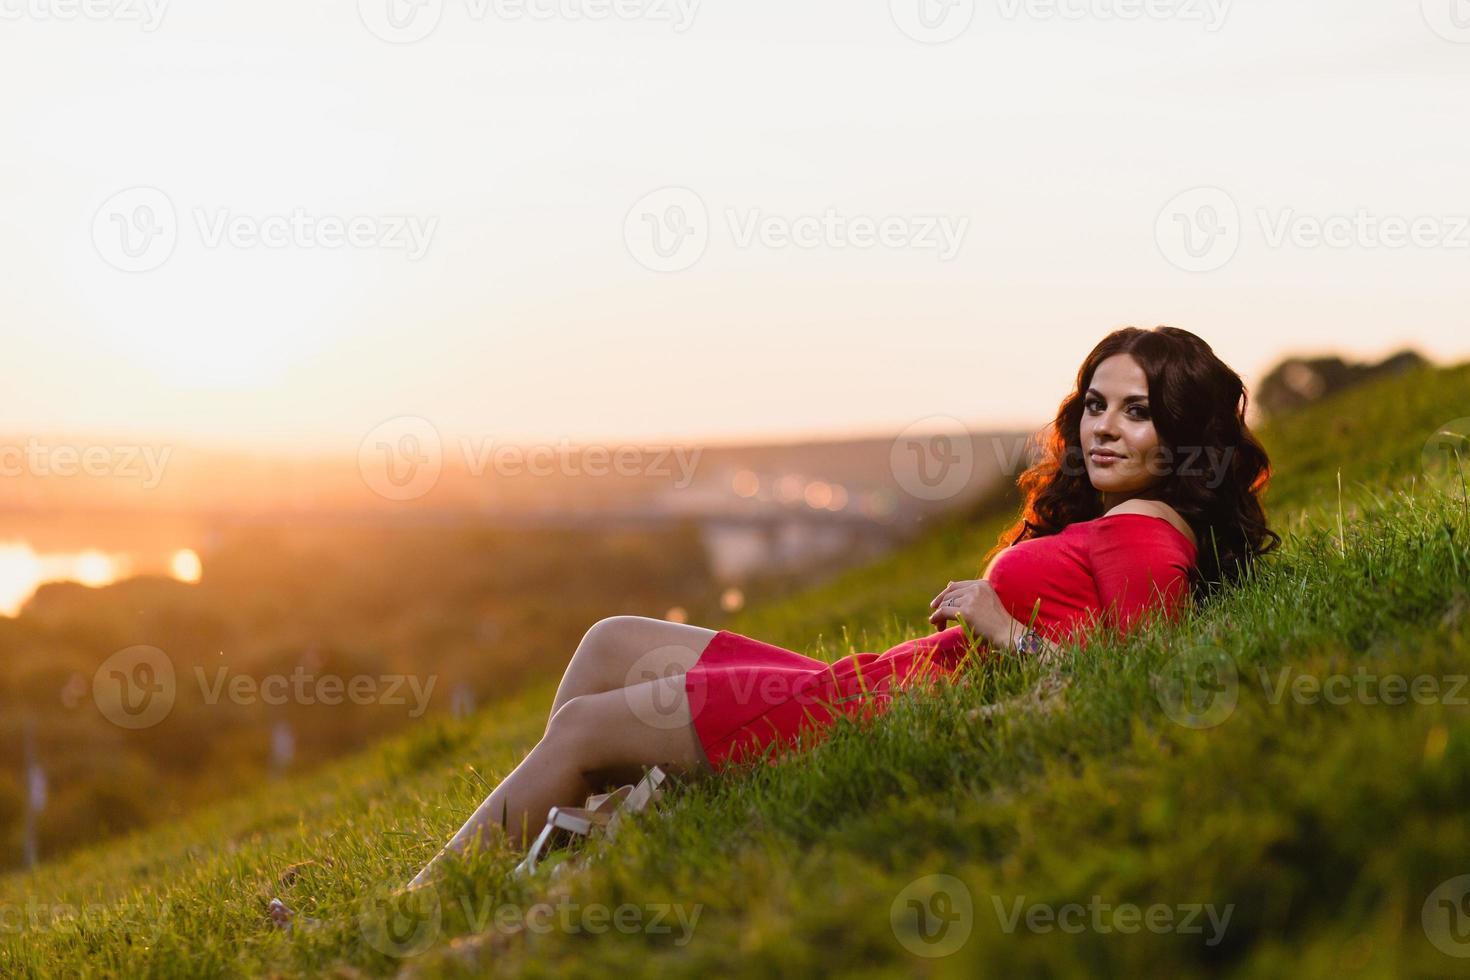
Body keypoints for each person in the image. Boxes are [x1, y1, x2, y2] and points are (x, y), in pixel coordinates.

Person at [406, 325, 1280, 889]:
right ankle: (561, 844)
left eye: (1138, 412)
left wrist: (1005, 633)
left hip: (865, 717)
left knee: (586, 729)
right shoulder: (1119, 521)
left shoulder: (1143, 532)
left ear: (1183, 434)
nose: (1104, 428)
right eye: (1095, 405)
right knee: (611, 644)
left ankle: (432, 902)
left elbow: (1136, 682)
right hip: (860, 687)